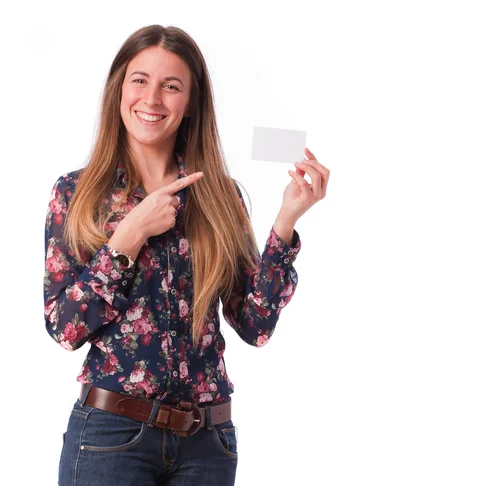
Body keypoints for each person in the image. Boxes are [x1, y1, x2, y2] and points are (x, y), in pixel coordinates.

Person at [43, 24, 329, 485]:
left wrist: (285, 222)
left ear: (192, 102)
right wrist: (126, 239)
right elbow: (64, 327)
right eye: (140, 80)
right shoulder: (77, 195)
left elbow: (254, 326)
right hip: (111, 437)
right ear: (119, 89)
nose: (152, 99)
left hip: (206, 446)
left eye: (171, 86)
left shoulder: (219, 197)